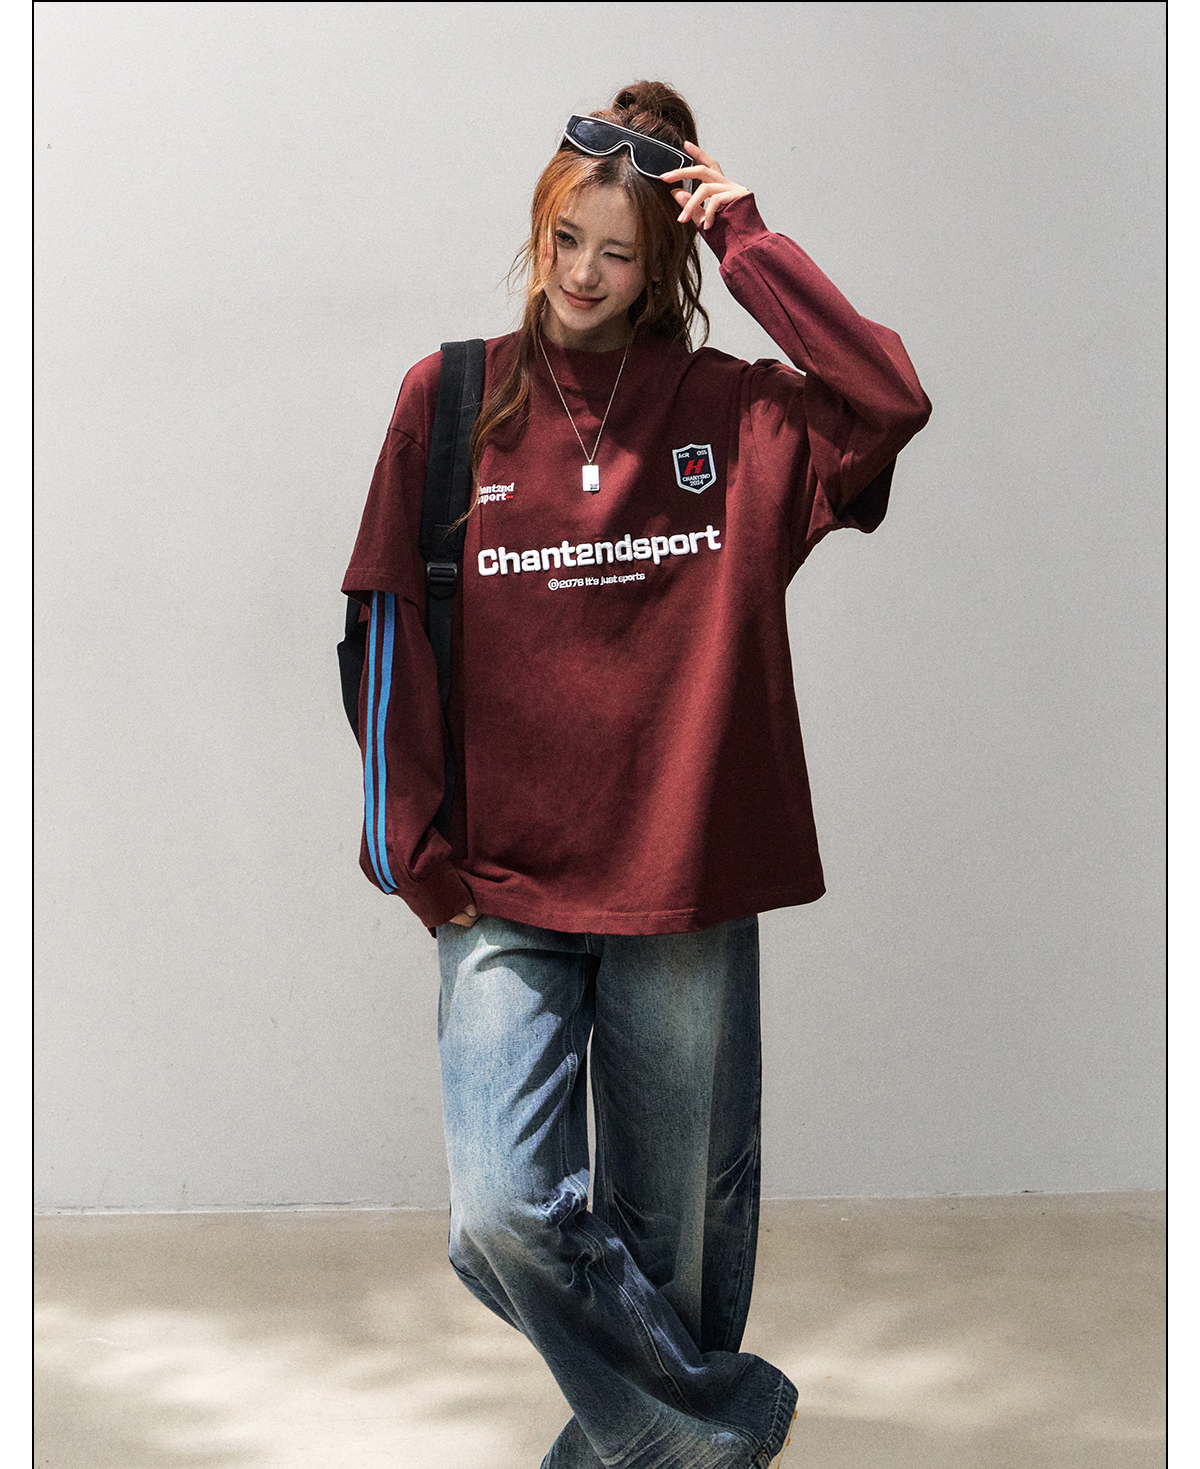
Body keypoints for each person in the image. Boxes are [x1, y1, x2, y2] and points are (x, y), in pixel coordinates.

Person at [342, 80, 930, 1469]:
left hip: (680, 872)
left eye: (619, 251)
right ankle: (722, 1428)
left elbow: (887, 399)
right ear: (537, 230)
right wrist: (416, 854)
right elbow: (383, 625)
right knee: (503, 1213)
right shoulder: (452, 399)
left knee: (676, 1239)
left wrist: (748, 239)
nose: (585, 275)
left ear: (660, 263)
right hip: (500, 878)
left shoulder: (733, 412)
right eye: (567, 241)